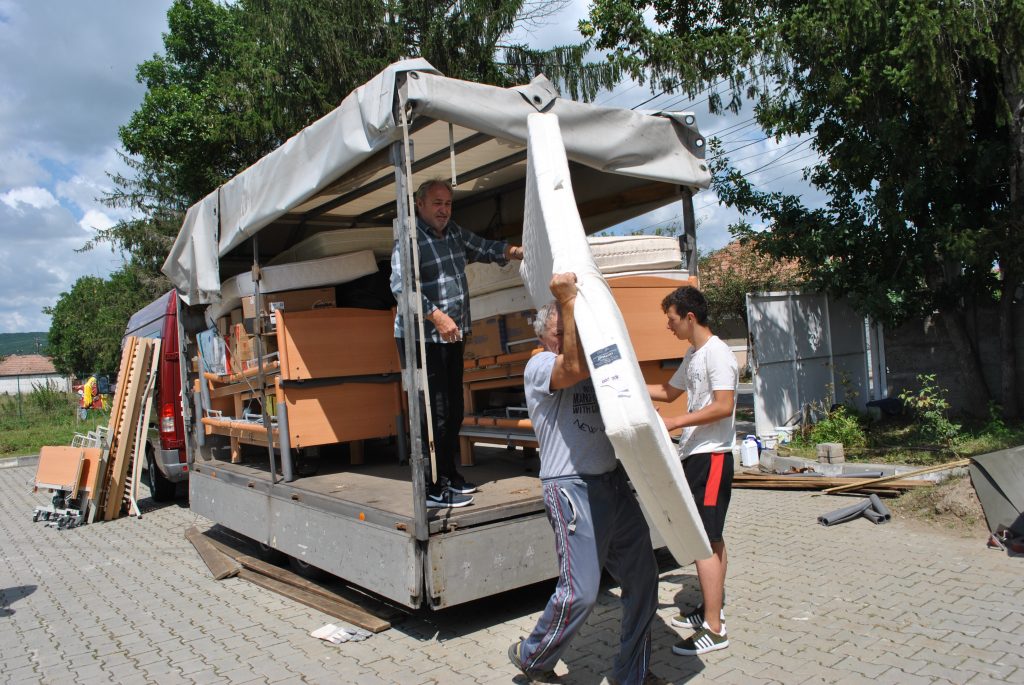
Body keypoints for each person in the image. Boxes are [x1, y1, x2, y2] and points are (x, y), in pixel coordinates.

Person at [509, 273, 660, 685]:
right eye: (560, 332)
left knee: (644, 578)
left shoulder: (593, 365)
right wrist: (569, 300)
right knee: (581, 592)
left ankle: (632, 674)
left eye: (570, 329)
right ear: (545, 337)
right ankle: (532, 655)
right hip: (570, 487)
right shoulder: (540, 365)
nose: (566, 337)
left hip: (612, 483)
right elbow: (572, 365)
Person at [390, 179, 523, 509]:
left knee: (452, 410)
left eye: (448, 204)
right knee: (432, 412)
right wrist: (436, 316)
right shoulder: (409, 239)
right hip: (421, 338)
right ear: (420, 204)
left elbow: (485, 247)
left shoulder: (454, 234)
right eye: (437, 203)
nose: (443, 210)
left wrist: (516, 251)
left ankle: (447, 475)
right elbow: (401, 288)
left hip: (451, 334)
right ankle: (430, 486)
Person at [647, 285, 738, 656]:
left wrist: (675, 422)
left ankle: (714, 629)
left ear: (689, 317)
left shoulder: (718, 353)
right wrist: (625, 385)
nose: (668, 326)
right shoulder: (694, 353)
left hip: (712, 457)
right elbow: (669, 392)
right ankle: (708, 609)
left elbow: (724, 406)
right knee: (712, 538)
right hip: (696, 455)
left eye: (671, 319)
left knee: (705, 540)